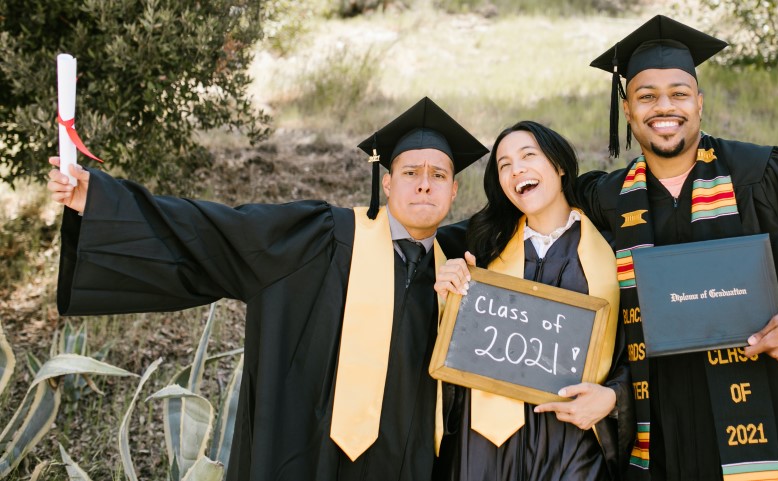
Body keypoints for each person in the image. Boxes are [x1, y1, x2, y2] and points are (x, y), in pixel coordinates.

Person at [47, 97, 488, 481]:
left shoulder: (462, 268)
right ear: (387, 182)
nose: (424, 182)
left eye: (438, 174)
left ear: (453, 192)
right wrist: (101, 201)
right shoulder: (320, 238)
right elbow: (219, 233)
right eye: (410, 171)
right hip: (307, 458)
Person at [576, 15, 778, 481]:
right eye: (646, 96)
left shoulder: (765, 174)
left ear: (699, 103)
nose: (663, 106)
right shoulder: (606, 200)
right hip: (667, 425)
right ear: (627, 110)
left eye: (678, 93)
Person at [433, 120, 633, 481]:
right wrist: (449, 290)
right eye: (504, 165)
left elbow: (639, 345)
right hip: (484, 444)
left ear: (559, 165)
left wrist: (615, 397)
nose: (516, 169)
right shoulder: (482, 247)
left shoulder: (613, 249)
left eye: (528, 155)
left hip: (574, 441)